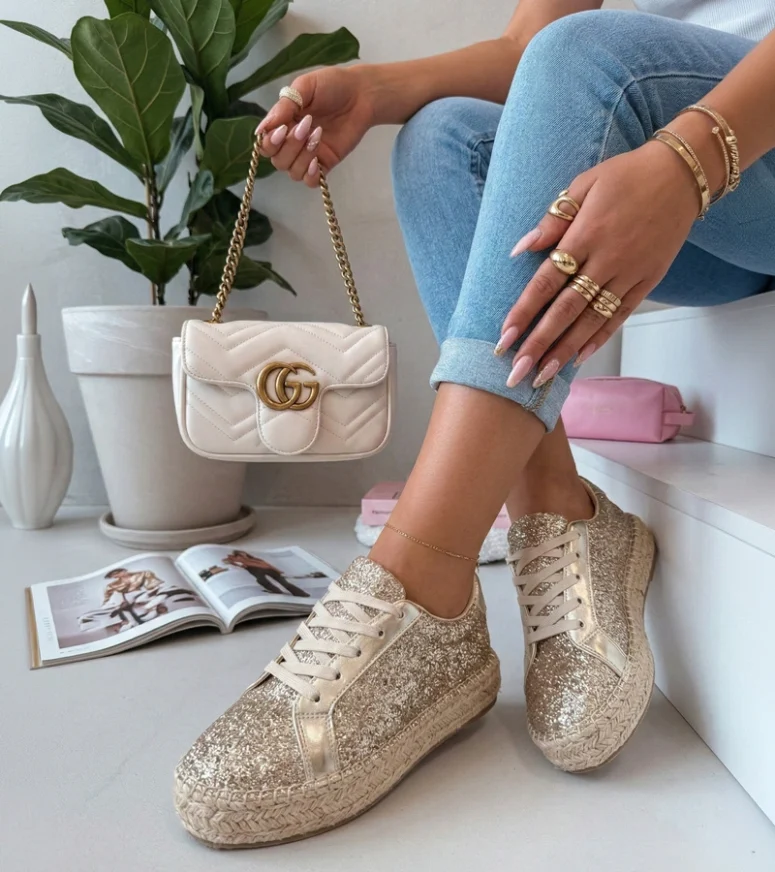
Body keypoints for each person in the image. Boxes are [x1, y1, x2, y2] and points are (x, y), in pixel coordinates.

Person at [174, 0, 775, 848]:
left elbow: (574, 59)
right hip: (697, 203)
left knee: (588, 55)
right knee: (443, 139)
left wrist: (686, 162)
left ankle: (420, 576)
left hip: (736, 146)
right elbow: (528, 51)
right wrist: (376, 90)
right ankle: (555, 509)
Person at [222, 550, 311, 597]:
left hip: (269, 570)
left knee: (283, 582)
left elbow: (267, 565)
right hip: (261, 573)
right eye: (240, 555)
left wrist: (278, 570)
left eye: (243, 554)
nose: (242, 556)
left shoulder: (255, 560)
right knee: (261, 580)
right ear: (237, 556)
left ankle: (301, 593)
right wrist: (233, 560)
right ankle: (277, 591)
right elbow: (228, 562)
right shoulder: (242, 562)